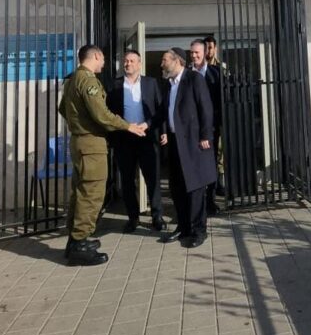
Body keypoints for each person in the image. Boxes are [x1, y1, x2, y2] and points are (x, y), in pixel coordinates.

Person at [59, 45, 146, 265]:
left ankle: (75, 240)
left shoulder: (72, 79)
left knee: (80, 192)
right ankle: (80, 245)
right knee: (92, 194)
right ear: (96, 56)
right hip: (91, 144)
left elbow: (62, 109)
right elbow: (102, 114)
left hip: (79, 142)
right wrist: (127, 126)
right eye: (103, 58)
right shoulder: (88, 81)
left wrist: (78, 123)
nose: (104, 63)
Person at [159, 47, 217, 248]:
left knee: (195, 187)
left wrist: (205, 135)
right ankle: (183, 227)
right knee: (177, 187)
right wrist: (164, 130)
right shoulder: (168, 84)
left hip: (194, 142)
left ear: (177, 61)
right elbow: (165, 111)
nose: (162, 64)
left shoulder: (194, 79)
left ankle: (198, 230)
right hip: (175, 142)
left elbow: (206, 108)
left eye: (165, 60)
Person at [107, 50, 167, 233]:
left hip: (146, 137)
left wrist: (162, 131)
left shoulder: (151, 83)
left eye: (132, 61)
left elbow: (160, 109)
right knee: (127, 181)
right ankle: (133, 218)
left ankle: (157, 216)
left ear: (140, 64)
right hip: (124, 139)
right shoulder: (115, 85)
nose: (128, 64)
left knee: (153, 179)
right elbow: (108, 113)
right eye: (126, 61)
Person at [190, 39, 223, 213]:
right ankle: (195, 203)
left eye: (197, 52)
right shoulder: (185, 74)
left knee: (210, 164)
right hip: (190, 129)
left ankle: (210, 201)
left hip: (211, 128)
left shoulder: (216, 73)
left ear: (205, 53)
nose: (194, 56)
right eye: (192, 53)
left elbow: (222, 101)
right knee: (193, 165)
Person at [204, 35, 226, 196]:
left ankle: (219, 183)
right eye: (206, 48)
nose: (208, 51)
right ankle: (209, 185)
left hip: (219, 116)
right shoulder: (198, 69)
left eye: (210, 48)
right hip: (205, 117)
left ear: (215, 49)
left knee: (220, 151)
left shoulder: (222, 69)